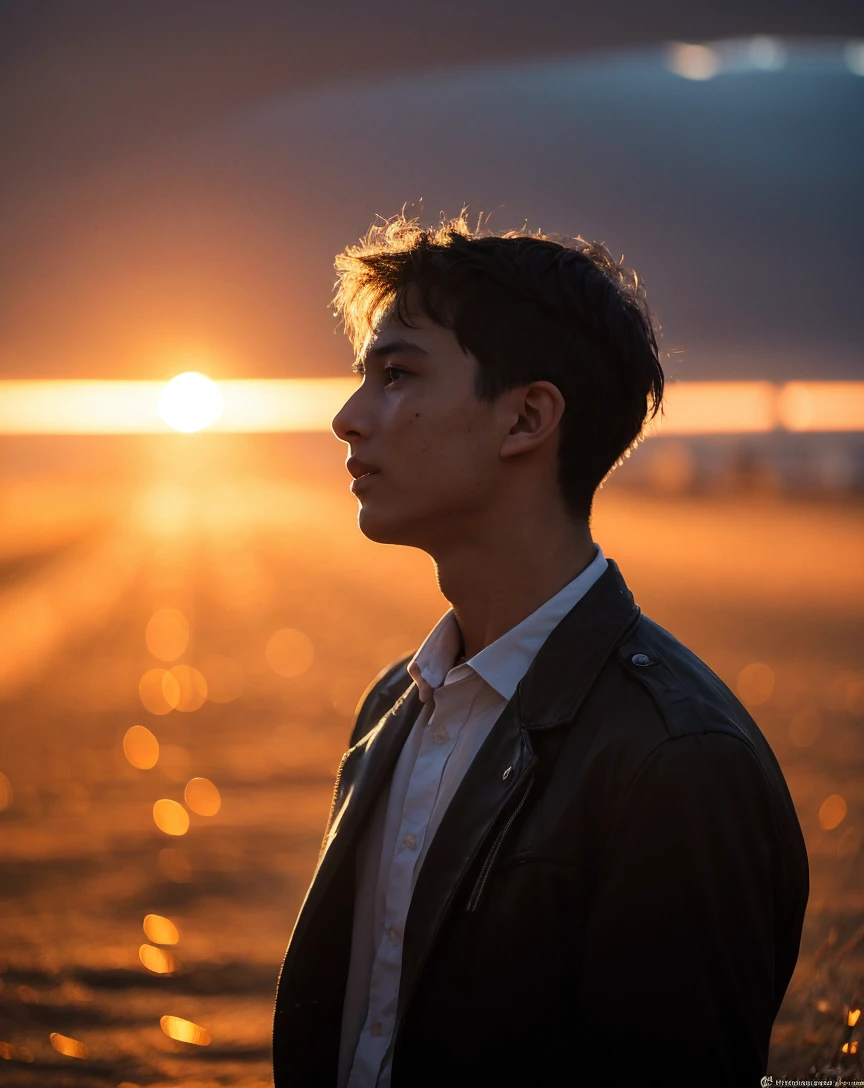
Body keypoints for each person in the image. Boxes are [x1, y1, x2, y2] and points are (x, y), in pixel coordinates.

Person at [272, 212, 809, 1088]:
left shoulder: (677, 763)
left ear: (526, 417)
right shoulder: (395, 710)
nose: (347, 417)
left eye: (397, 374)